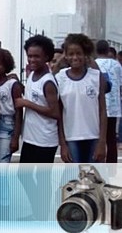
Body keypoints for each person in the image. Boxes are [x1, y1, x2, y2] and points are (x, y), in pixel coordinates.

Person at [15, 35, 60, 221]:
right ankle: (37, 210)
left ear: (47, 57)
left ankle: (40, 215)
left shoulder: (48, 82)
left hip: (45, 139)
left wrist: (27, 104)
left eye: (37, 57)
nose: (32, 60)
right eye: (30, 56)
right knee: (23, 175)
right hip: (31, 137)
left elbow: (55, 112)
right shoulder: (33, 75)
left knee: (42, 179)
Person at [57, 34, 107, 163]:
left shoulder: (96, 76)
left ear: (86, 55)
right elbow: (59, 113)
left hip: (94, 137)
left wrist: (102, 141)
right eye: (71, 54)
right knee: (75, 178)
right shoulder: (60, 78)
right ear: (66, 56)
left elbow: (102, 111)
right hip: (71, 138)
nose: (75, 57)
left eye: (79, 53)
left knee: (94, 179)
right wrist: (63, 144)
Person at [0, 48, 22, 163]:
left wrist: (16, 138)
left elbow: (18, 112)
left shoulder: (12, 84)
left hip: (7, 127)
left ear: (6, 65)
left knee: (1, 166)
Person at [94, 39, 122, 162]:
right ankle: (112, 165)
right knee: (111, 138)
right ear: (107, 50)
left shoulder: (94, 64)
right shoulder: (117, 65)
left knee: (97, 136)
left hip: (98, 106)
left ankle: (98, 162)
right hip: (113, 105)